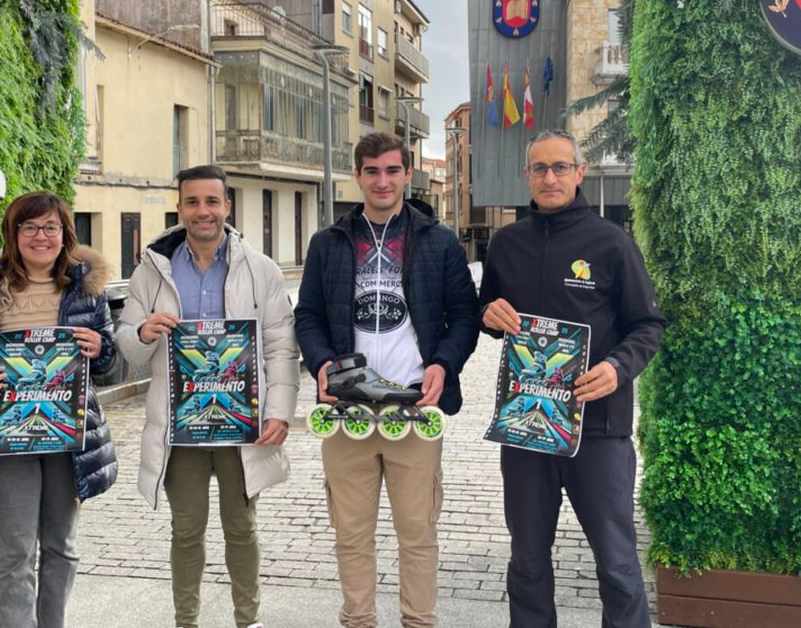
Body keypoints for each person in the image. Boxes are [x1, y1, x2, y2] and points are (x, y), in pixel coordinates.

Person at [478, 130, 666, 628]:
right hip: (525, 430)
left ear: (580, 172)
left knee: (618, 564)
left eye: (560, 167)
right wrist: (488, 314)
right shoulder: (506, 244)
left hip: (598, 428)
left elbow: (648, 325)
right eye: (539, 168)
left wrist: (616, 368)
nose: (550, 177)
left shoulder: (611, 242)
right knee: (528, 562)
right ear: (527, 176)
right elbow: (488, 309)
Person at [295, 132, 480, 628]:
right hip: (348, 409)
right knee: (351, 533)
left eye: (392, 170)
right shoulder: (328, 243)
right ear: (357, 175)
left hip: (414, 407)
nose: (382, 181)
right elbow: (308, 316)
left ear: (406, 175)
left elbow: (464, 314)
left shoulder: (438, 241)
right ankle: (358, 620)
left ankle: (418, 621)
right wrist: (320, 364)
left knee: (417, 532)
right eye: (372, 171)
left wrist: (444, 361)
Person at [116, 165, 299, 628]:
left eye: (212, 202)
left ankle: (248, 621)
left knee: (241, 529)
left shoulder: (261, 270)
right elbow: (127, 343)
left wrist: (278, 412)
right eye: (193, 202)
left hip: (242, 426)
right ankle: (187, 622)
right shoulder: (151, 271)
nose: (203, 211)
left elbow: (281, 346)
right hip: (181, 426)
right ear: (179, 207)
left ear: (227, 207)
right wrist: (142, 331)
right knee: (186, 531)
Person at [0, 191, 118, 628]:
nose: (41, 236)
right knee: (14, 552)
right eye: (29, 227)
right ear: (13, 234)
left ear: (65, 235)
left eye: (51, 228)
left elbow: (110, 367)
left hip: (69, 439)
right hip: (6, 440)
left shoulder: (88, 290)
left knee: (61, 546)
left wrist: (100, 349)